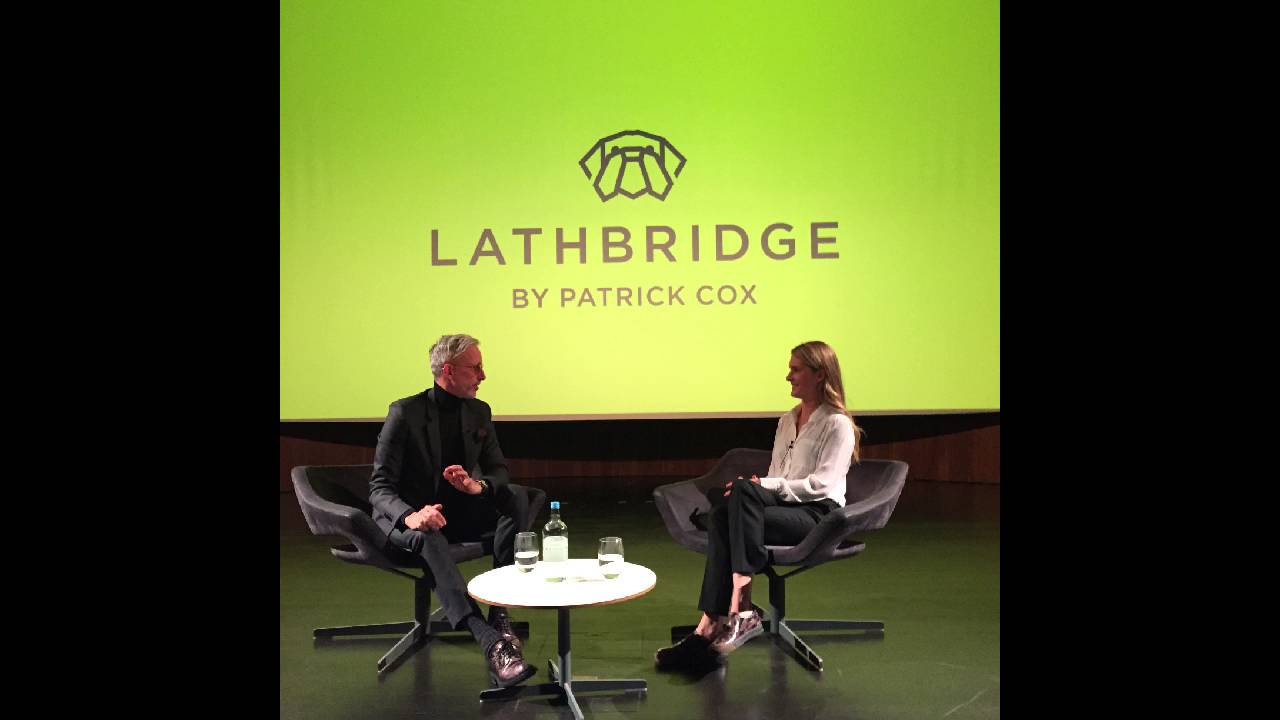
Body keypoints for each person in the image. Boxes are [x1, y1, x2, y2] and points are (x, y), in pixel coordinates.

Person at [655, 340, 863, 670]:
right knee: (727, 510)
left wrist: (759, 488)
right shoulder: (786, 420)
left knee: (736, 501)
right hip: (781, 509)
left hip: (816, 514)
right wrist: (757, 488)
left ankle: (731, 611)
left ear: (820, 373)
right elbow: (777, 475)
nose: (788, 376)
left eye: (796, 369)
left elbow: (819, 486)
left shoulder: (837, 424)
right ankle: (714, 622)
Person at [369, 333, 537, 688]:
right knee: (427, 534)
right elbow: (379, 486)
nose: (483, 375)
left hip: (457, 511)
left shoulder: (479, 411)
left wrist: (478, 487)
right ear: (448, 370)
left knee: (517, 497)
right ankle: (492, 645)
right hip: (409, 518)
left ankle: (500, 612)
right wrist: (411, 515)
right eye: (475, 368)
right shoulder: (405, 413)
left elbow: (500, 470)